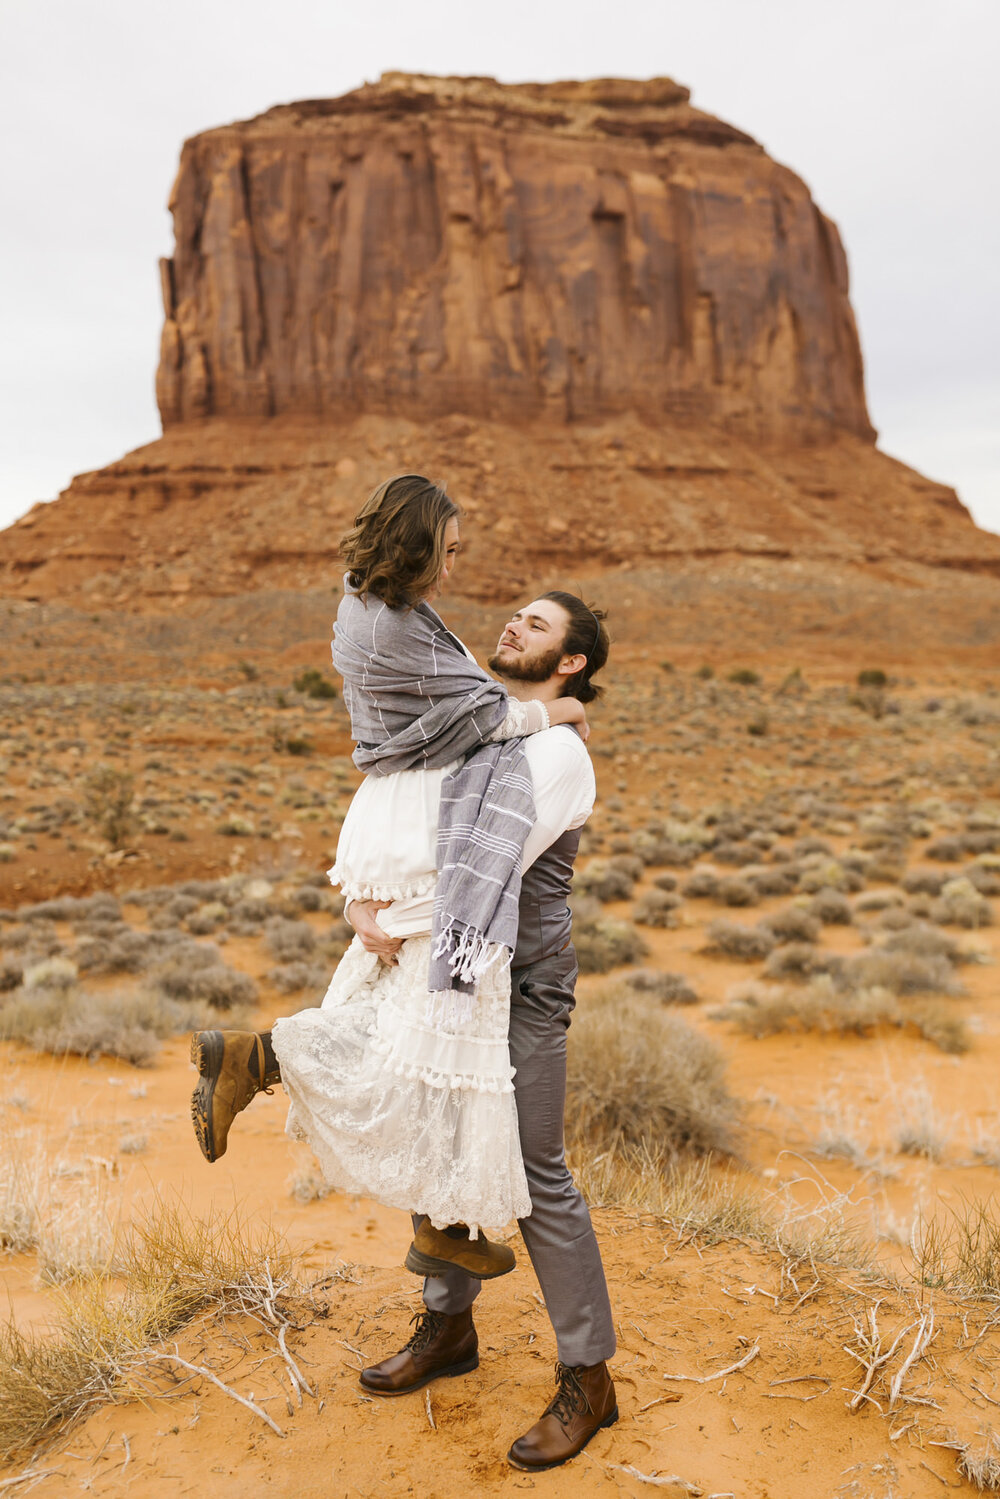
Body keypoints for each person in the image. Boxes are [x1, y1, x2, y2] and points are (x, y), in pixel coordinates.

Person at [189, 474, 588, 1281]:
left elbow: (486, 853)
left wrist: (381, 906)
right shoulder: (407, 641)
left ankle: (262, 1062)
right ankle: (442, 1259)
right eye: (447, 551)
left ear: (571, 658)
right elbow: (470, 767)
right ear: (418, 547)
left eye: (534, 622)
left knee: (418, 1059)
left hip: (491, 940)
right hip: (442, 906)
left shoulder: (542, 746)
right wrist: (382, 908)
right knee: (421, 1056)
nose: (457, 572)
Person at [351, 591, 618, 1474]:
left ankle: (590, 1374)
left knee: (536, 1174)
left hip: (526, 988)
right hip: (461, 974)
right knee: (442, 1143)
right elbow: (418, 833)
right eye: (513, 615)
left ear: (572, 661)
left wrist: (393, 919)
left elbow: (479, 873)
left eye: (537, 625)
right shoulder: (485, 730)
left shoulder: (559, 757)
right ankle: (450, 1325)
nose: (512, 626)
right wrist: (363, 901)